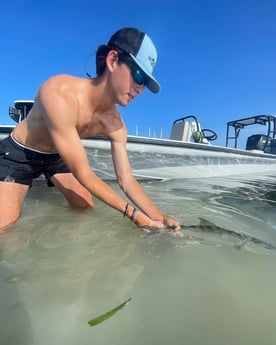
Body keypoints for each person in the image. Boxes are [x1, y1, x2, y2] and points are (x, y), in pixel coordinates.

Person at [0, 27, 182, 235]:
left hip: (57, 156)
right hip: (19, 154)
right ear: (113, 60)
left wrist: (160, 217)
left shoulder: (116, 124)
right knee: (5, 232)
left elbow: (127, 181)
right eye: (139, 76)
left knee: (86, 209)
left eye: (145, 84)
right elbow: (83, 173)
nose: (140, 89)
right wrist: (135, 216)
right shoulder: (59, 93)